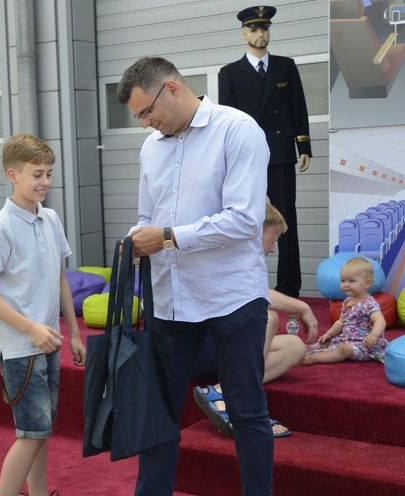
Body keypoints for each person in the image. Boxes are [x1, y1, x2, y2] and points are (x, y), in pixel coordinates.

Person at [117, 56, 272, 495]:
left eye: (148, 111)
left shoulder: (237, 129)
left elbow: (244, 220)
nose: (147, 123)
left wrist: (166, 237)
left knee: (246, 410)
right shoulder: (151, 148)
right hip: (170, 301)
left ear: (172, 88)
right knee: (159, 413)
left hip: (232, 298)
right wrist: (135, 240)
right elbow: (147, 215)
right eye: (139, 117)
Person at [0, 134, 86, 496]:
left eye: (49, 174)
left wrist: (73, 333)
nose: (45, 182)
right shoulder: (0, 226)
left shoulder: (51, 218)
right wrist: (31, 329)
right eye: (37, 174)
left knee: (39, 431)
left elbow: (59, 278)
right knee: (32, 433)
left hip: (49, 340)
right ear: (13, 174)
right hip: (19, 346)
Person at [192, 202, 317, 438]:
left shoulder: (244, 260)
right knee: (265, 315)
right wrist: (303, 307)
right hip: (197, 349)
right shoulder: (221, 255)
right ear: (254, 231)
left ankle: (222, 391)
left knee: (295, 347)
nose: (272, 248)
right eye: (274, 239)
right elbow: (258, 295)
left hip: (220, 348)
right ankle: (244, 401)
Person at [218, 5, 312, 299]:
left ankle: (289, 287)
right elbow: (227, 118)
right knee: (245, 219)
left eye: (265, 29)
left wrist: (303, 145)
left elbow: (298, 106)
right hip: (247, 157)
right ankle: (247, 284)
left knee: (287, 221)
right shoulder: (230, 73)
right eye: (255, 29)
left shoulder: (286, 66)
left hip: (282, 153)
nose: (260, 34)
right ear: (244, 33)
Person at [304, 257, 387, 365]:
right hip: (349, 339)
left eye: (351, 281)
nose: (346, 284)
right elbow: (341, 322)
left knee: (345, 349)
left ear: (367, 283)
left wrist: (373, 335)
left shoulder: (369, 303)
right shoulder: (347, 301)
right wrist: (328, 334)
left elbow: (380, 321)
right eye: (343, 280)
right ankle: (325, 352)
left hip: (365, 345)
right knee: (335, 343)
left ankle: (314, 359)